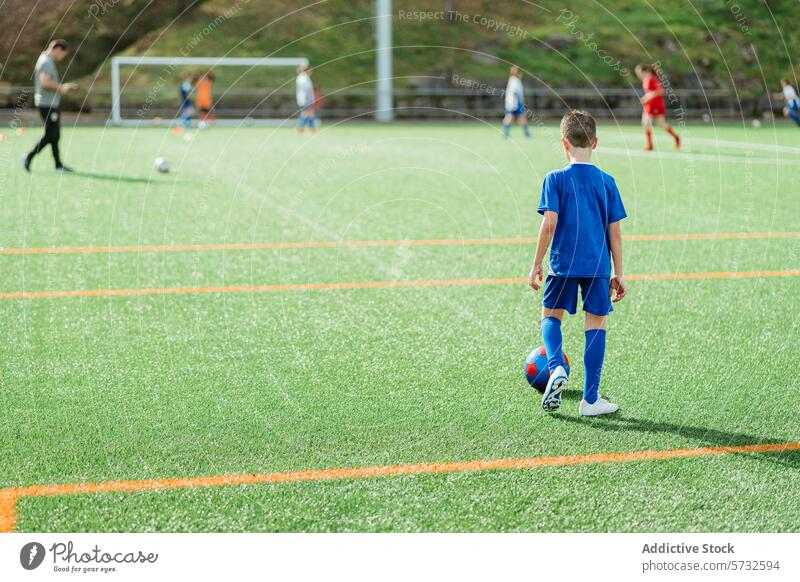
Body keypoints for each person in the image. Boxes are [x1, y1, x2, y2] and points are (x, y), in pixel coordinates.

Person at [528, 110, 627, 416]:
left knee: (550, 316)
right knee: (596, 323)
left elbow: (549, 225)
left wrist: (536, 263)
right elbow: (616, 233)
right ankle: (591, 399)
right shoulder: (607, 182)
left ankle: (556, 366)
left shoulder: (554, 179)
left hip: (563, 264)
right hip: (597, 266)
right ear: (595, 143)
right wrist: (618, 273)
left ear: (564, 144)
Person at [22, 39, 78, 172]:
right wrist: (62, 88)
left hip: (50, 103)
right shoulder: (46, 62)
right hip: (47, 104)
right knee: (51, 134)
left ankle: (58, 165)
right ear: (58, 49)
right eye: (63, 54)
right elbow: (45, 83)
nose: (62, 57)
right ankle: (28, 156)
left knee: (55, 134)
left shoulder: (45, 59)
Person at [635, 64, 680, 151]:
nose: (638, 75)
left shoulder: (652, 79)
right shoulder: (646, 80)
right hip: (649, 105)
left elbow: (660, 90)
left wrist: (648, 97)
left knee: (650, 123)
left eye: (639, 72)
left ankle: (650, 146)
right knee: (653, 123)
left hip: (656, 104)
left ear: (644, 71)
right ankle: (675, 137)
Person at [502, 65, 530, 138]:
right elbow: (515, 92)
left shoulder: (512, 79)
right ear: (519, 73)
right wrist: (520, 101)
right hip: (515, 102)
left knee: (516, 116)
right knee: (513, 116)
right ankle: (506, 133)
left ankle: (506, 133)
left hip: (511, 102)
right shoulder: (515, 80)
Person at [296, 64, 317, 133]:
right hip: (305, 99)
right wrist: (308, 99)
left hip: (306, 98)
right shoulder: (303, 77)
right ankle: (309, 129)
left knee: (307, 113)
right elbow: (305, 89)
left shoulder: (304, 77)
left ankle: (302, 128)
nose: (311, 72)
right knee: (308, 113)